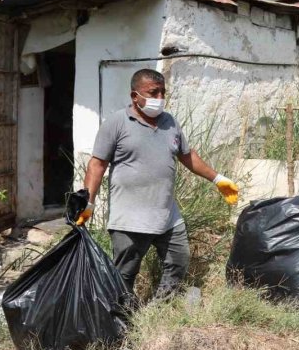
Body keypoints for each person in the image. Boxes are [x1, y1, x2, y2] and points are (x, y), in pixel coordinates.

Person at [77, 69, 239, 303]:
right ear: (135, 96)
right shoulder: (117, 123)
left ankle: (158, 308)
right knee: (124, 274)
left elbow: (187, 155)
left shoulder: (170, 122)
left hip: (166, 215)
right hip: (129, 218)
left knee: (178, 261)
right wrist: (88, 201)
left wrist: (218, 179)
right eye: (153, 92)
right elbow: (97, 164)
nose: (160, 98)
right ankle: (121, 319)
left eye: (163, 92)